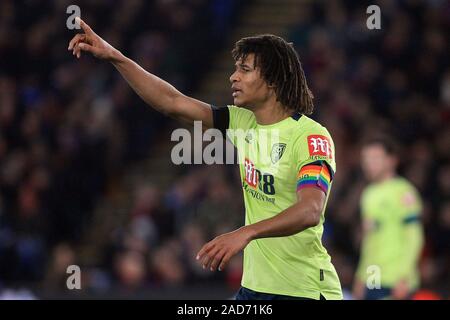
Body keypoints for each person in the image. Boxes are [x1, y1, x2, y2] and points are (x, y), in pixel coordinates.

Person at [68, 17, 342, 300]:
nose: (233, 77)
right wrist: (116, 56)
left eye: (244, 70)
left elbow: (310, 210)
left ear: (272, 81)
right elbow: (171, 101)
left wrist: (244, 233)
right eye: (235, 69)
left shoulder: (310, 137)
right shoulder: (241, 121)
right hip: (255, 289)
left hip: (304, 290)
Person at [352, 138, 424, 300]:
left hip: (396, 279)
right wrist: (361, 277)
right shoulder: (368, 194)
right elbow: (370, 239)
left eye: (376, 158)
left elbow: (414, 237)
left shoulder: (404, 192)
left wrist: (403, 277)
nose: (369, 164)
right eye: (366, 159)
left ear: (392, 160)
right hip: (374, 276)